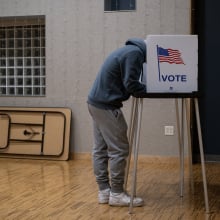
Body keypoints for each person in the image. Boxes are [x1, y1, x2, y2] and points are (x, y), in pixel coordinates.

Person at [87, 38, 147, 207]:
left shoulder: (126, 50)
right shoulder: (135, 54)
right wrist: (150, 88)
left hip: (94, 102)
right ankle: (117, 194)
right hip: (106, 105)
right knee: (119, 149)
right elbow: (131, 84)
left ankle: (104, 191)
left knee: (100, 149)